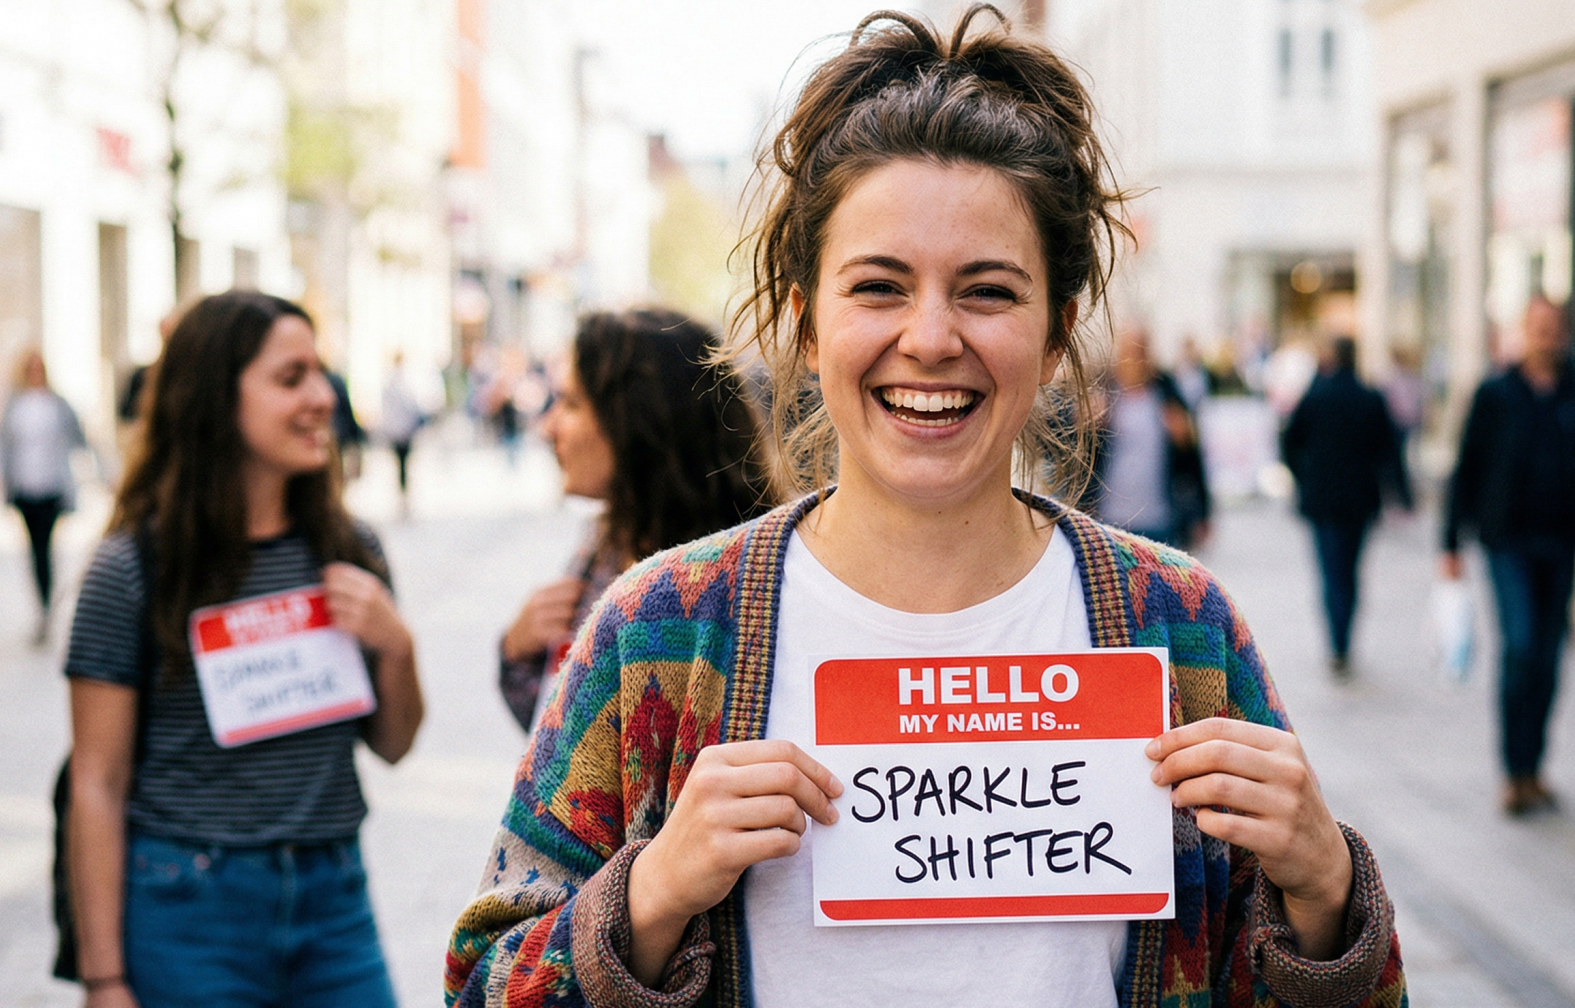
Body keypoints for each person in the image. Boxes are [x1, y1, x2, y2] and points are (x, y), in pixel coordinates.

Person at [446, 9, 1404, 1007]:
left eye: (986, 291)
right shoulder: (661, 633)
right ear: (806, 322)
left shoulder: (1182, 629)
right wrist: (647, 898)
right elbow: (477, 988)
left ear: (1056, 329)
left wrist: (1324, 892)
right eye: (878, 287)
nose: (932, 337)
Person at [64, 292, 424, 1008]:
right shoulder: (133, 567)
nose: (322, 397)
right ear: (213, 399)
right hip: (189, 907)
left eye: (319, 373)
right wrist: (104, 978)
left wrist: (397, 646)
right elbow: (96, 783)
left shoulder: (349, 551)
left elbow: (392, 743)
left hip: (333, 899)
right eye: (290, 379)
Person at [498, 309, 771, 731]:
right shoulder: (607, 541)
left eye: (571, 404)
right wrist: (519, 649)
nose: (548, 427)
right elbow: (561, 746)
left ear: (636, 421)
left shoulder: (739, 579)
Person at [1443, 294, 1575, 816]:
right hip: (1507, 542)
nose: (1546, 336)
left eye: (1553, 328)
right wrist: (1449, 541)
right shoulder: (1496, 392)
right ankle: (1511, 768)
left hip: (1560, 542)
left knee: (1546, 656)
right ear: (1525, 331)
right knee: (1520, 645)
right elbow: (1466, 466)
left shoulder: (1570, 388)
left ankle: (1532, 769)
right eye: (1537, 327)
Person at [1282, 338, 1412, 678]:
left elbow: (1289, 440)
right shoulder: (1370, 399)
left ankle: (1337, 640)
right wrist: (1401, 493)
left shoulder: (1315, 397)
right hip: (1358, 501)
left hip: (1323, 500)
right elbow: (1389, 451)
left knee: (1330, 571)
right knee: (1350, 572)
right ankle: (1343, 637)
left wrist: (1303, 476)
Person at [0, 347, 90, 643]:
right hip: (24, 487)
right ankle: (42, 607)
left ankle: (47, 609)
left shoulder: (57, 404)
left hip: (52, 487)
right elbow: (1, 443)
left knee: (46, 549)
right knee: (34, 550)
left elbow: (81, 439)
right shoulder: (15, 404)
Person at [1085, 328, 1211, 549]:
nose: (1133, 359)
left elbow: (1193, 456)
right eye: (1128, 351)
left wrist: (1203, 511)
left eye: (1139, 352)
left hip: (1159, 520)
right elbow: (1068, 452)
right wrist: (1085, 427)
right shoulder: (1101, 394)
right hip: (1107, 520)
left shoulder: (1166, 394)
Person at [378, 352, 426, 497]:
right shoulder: (400, 381)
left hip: (400, 428)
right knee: (402, 462)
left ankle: (403, 490)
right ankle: (403, 490)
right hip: (401, 428)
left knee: (402, 462)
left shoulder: (394, 381)